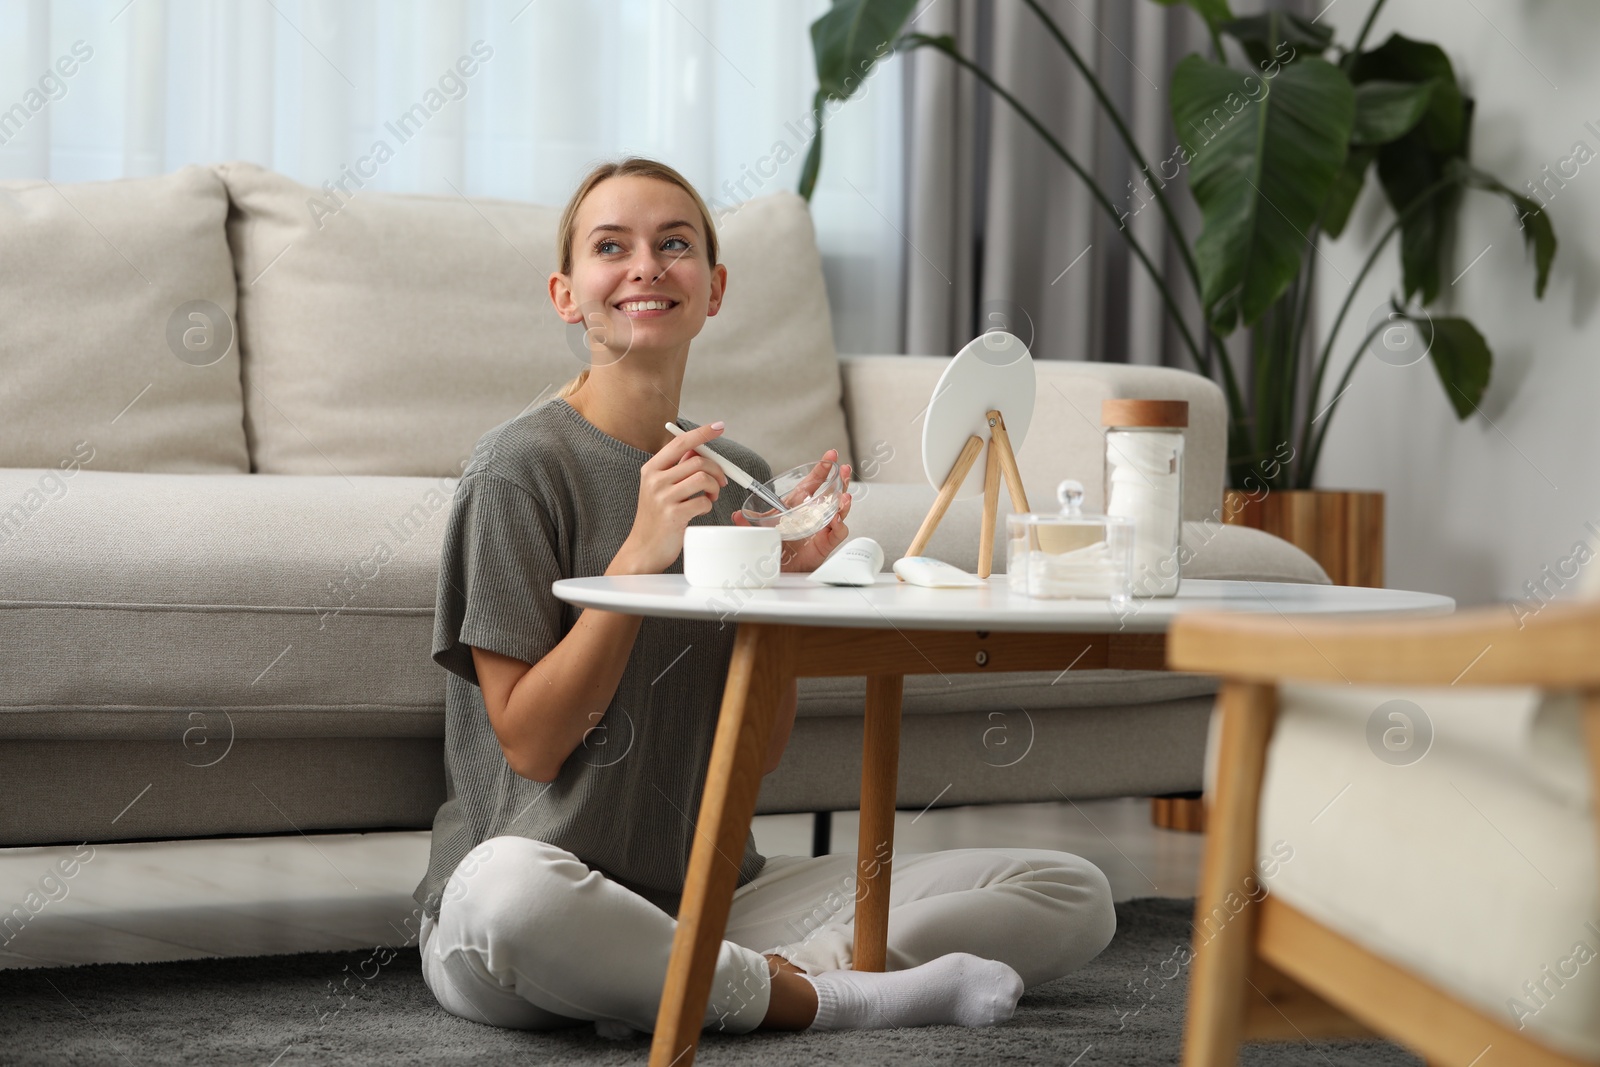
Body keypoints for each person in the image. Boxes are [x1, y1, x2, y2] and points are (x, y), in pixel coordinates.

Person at [412, 156, 1116, 1037]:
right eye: (610, 247)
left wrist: (790, 592)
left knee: (1070, 893)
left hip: (712, 892)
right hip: (526, 896)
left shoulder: (737, 477)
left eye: (675, 244)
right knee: (508, 897)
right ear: (566, 293)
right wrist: (638, 557)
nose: (646, 265)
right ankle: (826, 997)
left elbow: (762, 746)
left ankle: (703, 981)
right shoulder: (517, 469)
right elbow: (530, 745)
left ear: (714, 289)